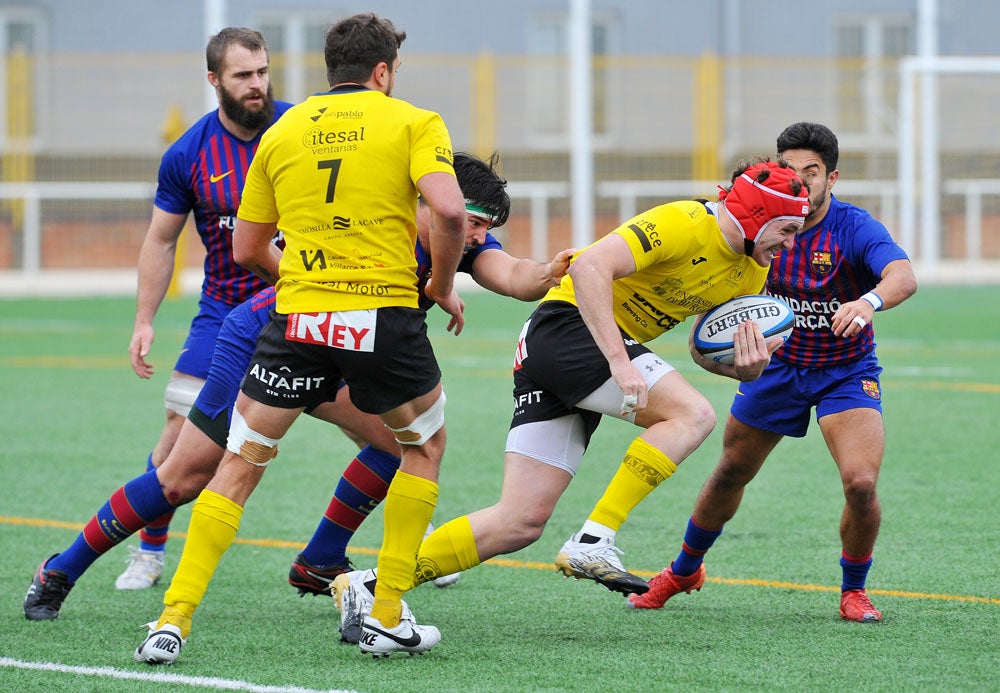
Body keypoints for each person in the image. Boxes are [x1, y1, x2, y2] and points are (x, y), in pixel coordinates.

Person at [23, 152, 571, 620]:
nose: (476, 234)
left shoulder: (459, 241)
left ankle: (320, 560)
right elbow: (268, 254)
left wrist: (550, 271)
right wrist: (413, 285)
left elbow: (514, 274)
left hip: (338, 354)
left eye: (481, 226)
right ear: (428, 202)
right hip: (265, 341)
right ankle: (60, 569)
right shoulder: (377, 220)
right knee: (181, 480)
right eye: (472, 220)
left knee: (397, 446)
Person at [332, 158, 811, 645]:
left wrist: (742, 367)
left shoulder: (751, 274)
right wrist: (619, 360)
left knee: (519, 521)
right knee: (693, 414)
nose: (791, 242)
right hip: (564, 332)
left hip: (569, 351)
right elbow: (589, 266)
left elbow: (700, 346)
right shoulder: (684, 222)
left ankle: (370, 586)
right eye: (787, 228)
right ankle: (595, 538)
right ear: (757, 216)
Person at [134, 12, 467, 663]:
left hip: (297, 319)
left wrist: (310, 280)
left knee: (240, 463)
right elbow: (451, 211)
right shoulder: (415, 121)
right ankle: (389, 615)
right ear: (381, 72)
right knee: (422, 446)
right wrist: (441, 284)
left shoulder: (283, 130)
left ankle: (171, 619)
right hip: (382, 317)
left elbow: (246, 245)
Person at [626, 122, 917, 623]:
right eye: (791, 170)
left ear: (833, 177)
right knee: (731, 471)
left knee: (861, 483)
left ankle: (854, 589)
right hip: (777, 370)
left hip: (844, 369)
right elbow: (708, 328)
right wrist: (733, 360)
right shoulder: (756, 225)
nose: (802, 181)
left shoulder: (854, 227)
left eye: (813, 171)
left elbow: (903, 276)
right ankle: (683, 570)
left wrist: (867, 302)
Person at [118, 27, 292, 591]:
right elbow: (160, 241)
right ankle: (148, 550)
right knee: (178, 429)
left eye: (263, 71)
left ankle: (413, 535)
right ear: (215, 80)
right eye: (243, 75)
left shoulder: (299, 131)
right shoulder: (188, 154)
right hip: (223, 313)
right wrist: (145, 319)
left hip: (300, 306)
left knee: (384, 424)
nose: (257, 84)